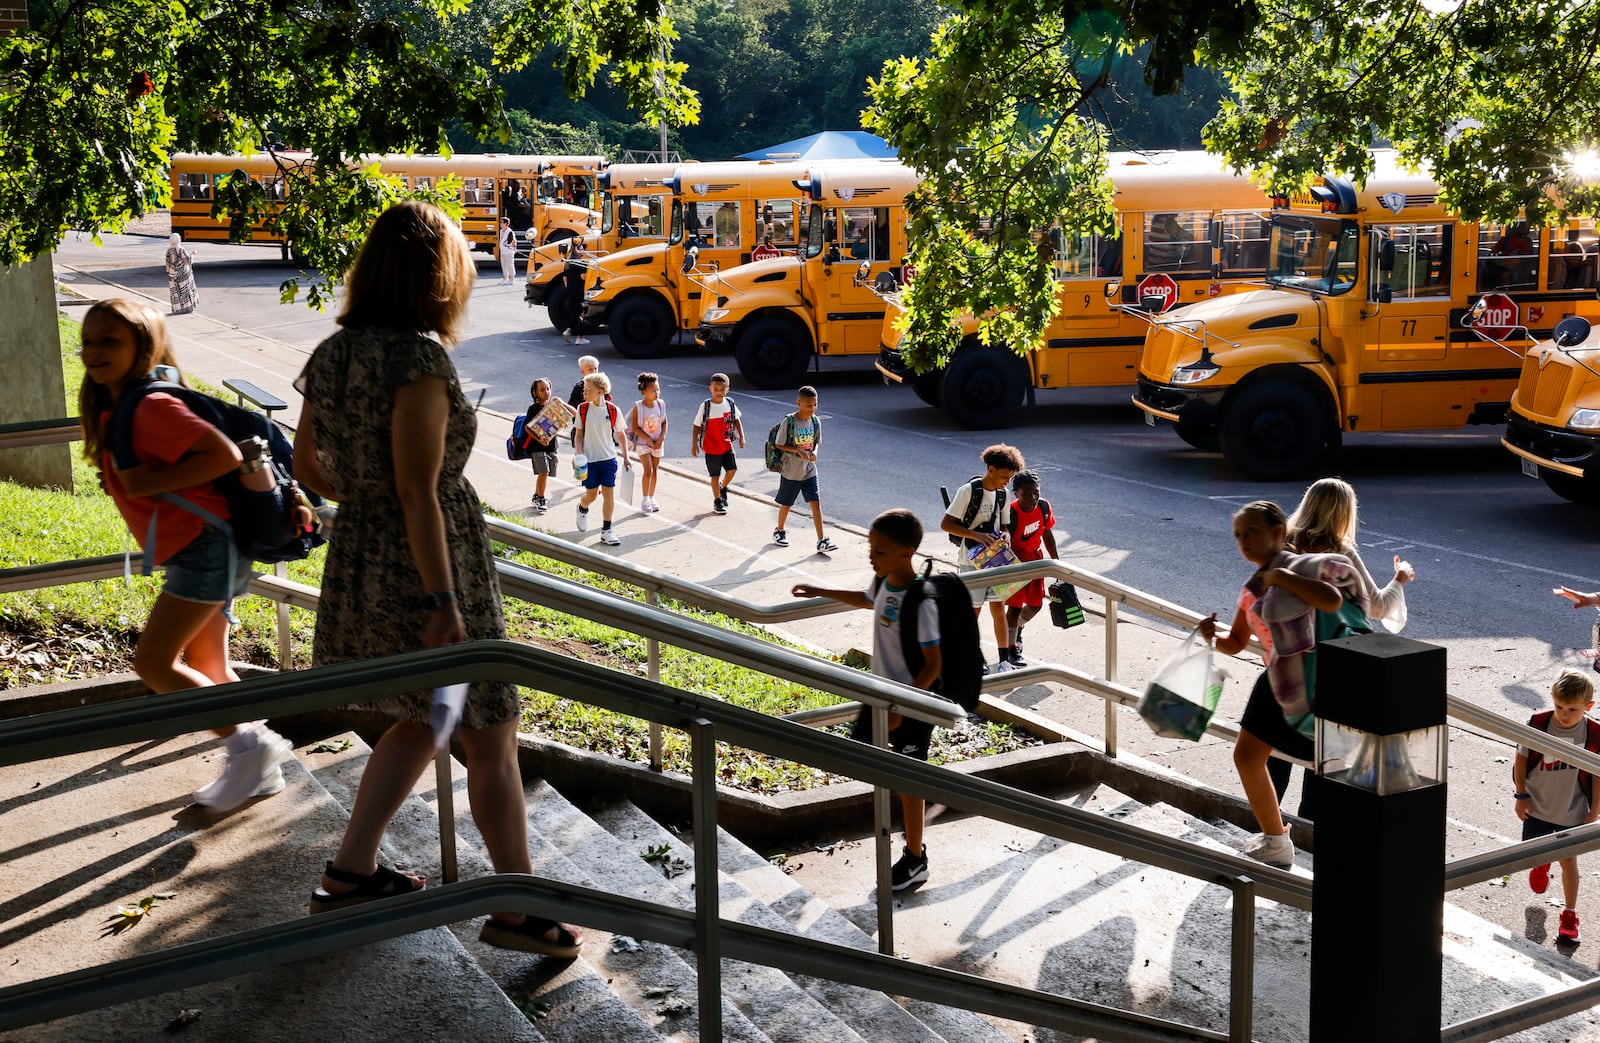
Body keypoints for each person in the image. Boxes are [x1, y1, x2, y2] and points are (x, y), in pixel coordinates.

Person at [292, 201, 582, 958]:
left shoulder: (332, 354)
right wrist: (443, 599)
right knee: (489, 729)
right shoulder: (417, 361)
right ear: (436, 276)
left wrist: (363, 497)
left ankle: (351, 871)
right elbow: (420, 487)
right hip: (432, 561)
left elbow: (306, 466)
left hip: (364, 554)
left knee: (428, 717)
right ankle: (519, 906)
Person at [78, 299, 293, 811]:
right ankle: (260, 769)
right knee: (205, 660)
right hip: (201, 546)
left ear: (143, 347)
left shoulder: (150, 405)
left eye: (110, 340)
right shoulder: (120, 404)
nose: (94, 351)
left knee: (153, 662)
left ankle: (251, 748)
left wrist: (144, 481)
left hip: (205, 547)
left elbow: (223, 454)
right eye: (88, 340)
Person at [1199, 500, 1357, 868]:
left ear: (1278, 532)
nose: (1244, 541)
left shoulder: (1298, 566)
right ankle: (1277, 839)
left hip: (1313, 682)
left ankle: (1304, 845)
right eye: (1238, 535)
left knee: (1323, 766)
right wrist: (1212, 635)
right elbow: (1236, 642)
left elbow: (1331, 600)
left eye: (1251, 531)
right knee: (1250, 758)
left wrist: (1280, 578)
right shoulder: (1251, 585)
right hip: (1278, 683)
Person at [792, 509, 942, 891]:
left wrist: (903, 707)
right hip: (882, 697)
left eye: (881, 551)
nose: (872, 558)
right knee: (879, 768)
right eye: (871, 550)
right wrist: (820, 590)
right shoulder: (886, 582)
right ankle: (913, 837)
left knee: (909, 782)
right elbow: (867, 598)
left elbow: (933, 665)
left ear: (908, 552)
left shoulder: (920, 601)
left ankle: (915, 858)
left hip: (910, 704)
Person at [1278, 477, 1416, 815]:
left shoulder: (1283, 544)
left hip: (1287, 664)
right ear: (1344, 514)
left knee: (1275, 750)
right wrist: (1400, 577)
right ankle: (1309, 835)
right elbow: (1377, 607)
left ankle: (1265, 823)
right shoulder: (1341, 552)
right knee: (1323, 754)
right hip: (1331, 669)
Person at [1514, 669, 1599, 946]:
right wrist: (1521, 794)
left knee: (1569, 861)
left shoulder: (1594, 733)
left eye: (1572, 709)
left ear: (1588, 707)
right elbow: (1521, 760)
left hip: (1572, 810)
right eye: (1559, 706)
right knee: (1535, 852)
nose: (1563, 714)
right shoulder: (1539, 723)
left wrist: (1595, 810)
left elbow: (1597, 774)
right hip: (1538, 806)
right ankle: (1540, 865)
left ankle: (1570, 914)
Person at [940, 444, 1024, 665]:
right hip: (970, 561)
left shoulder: (1002, 494)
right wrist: (975, 535)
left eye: (1010, 477)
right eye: (1004, 476)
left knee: (998, 608)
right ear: (991, 469)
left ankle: (1004, 660)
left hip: (995, 561)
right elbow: (946, 524)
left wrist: (1006, 536)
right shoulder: (968, 491)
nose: (1007, 481)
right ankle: (971, 659)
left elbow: (1005, 526)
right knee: (972, 612)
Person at [999, 470, 1059, 669]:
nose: (1033, 497)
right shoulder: (1011, 513)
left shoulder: (1043, 506)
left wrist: (1056, 562)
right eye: (1026, 493)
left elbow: (1047, 534)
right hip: (1015, 564)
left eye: (1036, 492)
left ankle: (1016, 631)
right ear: (1016, 493)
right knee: (1014, 608)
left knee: (1035, 605)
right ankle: (1011, 648)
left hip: (1036, 561)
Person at [771, 385, 838, 554]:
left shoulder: (815, 421)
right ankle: (779, 530)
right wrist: (798, 450)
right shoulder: (790, 421)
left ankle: (821, 540)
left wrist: (813, 452)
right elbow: (779, 443)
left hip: (809, 470)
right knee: (786, 504)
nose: (812, 408)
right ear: (798, 403)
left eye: (815, 404)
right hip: (791, 471)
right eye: (809, 405)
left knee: (816, 503)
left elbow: (815, 442)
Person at [573, 371, 631, 545]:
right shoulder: (582, 409)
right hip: (589, 460)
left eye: (588, 389)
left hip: (608, 459)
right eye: (584, 388)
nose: (584, 392)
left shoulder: (613, 410)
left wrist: (626, 457)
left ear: (600, 391)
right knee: (591, 495)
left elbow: (621, 436)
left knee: (608, 494)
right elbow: (578, 434)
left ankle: (607, 530)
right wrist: (578, 452)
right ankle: (582, 508)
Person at [691, 373, 744, 515]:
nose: (719, 392)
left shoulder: (730, 404)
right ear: (710, 389)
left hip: (727, 445)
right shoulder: (706, 406)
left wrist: (741, 437)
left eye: (722, 389)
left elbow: (737, 420)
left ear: (728, 389)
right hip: (711, 447)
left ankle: (723, 487)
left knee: (732, 470)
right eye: (716, 389)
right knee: (715, 475)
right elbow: (696, 425)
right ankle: (717, 501)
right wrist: (694, 444)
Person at [628, 372, 667, 513]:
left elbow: (664, 422)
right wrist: (649, 440)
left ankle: (651, 497)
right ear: (643, 392)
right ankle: (645, 499)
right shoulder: (638, 407)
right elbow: (635, 428)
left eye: (658, 389)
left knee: (655, 470)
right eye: (653, 390)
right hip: (643, 444)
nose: (656, 392)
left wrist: (661, 439)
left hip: (657, 443)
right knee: (648, 470)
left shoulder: (661, 404)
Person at [524, 377, 558, 514]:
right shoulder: (533, 409)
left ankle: (537, 495)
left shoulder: (553, 408)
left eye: (548, 389)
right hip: (537, 446)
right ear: (535, 393)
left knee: (547, 472)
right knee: (544, 471)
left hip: (551, 446)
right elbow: (527, 427)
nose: (546, 392)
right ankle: (541, 499)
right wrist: (539, 439)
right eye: (542, 390)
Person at [165, 233, 198, 314]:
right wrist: (192, 254)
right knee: (185, 291)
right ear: (178, 239)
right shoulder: (180, 249)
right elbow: (187, 261)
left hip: (172, 274)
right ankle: (187, 309)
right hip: (182, 273)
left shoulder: (169, 250)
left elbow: (167, 264)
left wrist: (171, 272)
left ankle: (177, 309)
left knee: (175, 293)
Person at [498, 218, 517, 285]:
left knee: (510, 265)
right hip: (503, 251)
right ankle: (505, 279)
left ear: (505, 224)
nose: (500, 223)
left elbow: (514, 241)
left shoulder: (510, 231)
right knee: (504, 265)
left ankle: (512, 280)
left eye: (501, 222)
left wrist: (514, 249)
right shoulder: (501, 231)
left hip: (508, 251)